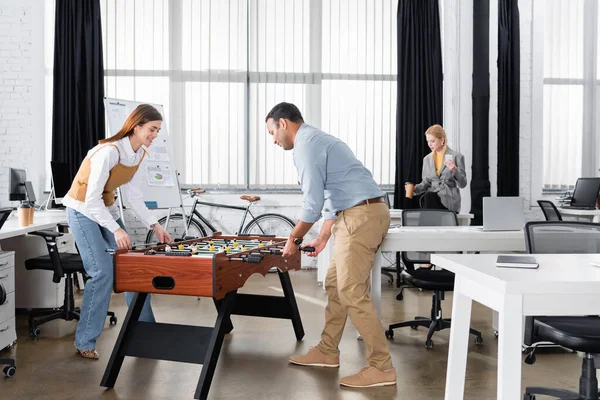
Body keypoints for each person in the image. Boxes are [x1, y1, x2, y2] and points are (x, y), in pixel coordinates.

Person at [265, 102, 396, 388]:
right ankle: (327, 351)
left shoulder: (306, 145)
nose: (274, 141)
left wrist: (293, 239)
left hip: (360, 216)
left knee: (351, 291)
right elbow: (331, 196)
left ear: (283, 123)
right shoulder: (316, 140)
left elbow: (311, 203)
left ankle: (382, 367)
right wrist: (323, 237)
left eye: (272, 132)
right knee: (336, 285)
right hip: (356, 213)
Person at [62, 104, 172, 359]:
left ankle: (146, 332)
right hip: (82, 211)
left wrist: (154, 225)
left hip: (105, 210)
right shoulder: (108, 152)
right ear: (137, 126)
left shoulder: (139, 154)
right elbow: (91, 200)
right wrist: (116, 230)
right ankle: (85, 341)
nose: (155, 135)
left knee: (132, 266)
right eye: (152, 129)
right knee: (101, 272)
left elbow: (133, 197)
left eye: (157, 130)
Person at [411, 124, 467, 212]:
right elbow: (425, 183)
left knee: (428, 197)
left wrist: (454, 170)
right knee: (428, 196)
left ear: (442, 140)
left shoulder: (457, 156)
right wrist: (414, 189)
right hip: (431, 198)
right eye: (428, 141)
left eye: (432, 141)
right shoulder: (427, 159)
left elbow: (463, 184)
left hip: (449, 199)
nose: (429, 144)